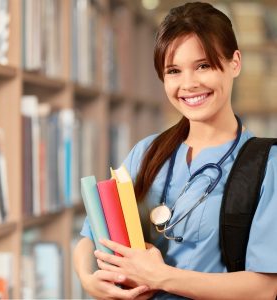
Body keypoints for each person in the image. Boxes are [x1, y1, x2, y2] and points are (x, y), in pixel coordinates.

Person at [73, 2, 277, 299]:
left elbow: (265, 288)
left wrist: (161, 277)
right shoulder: (147, 151)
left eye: (203, 65)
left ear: (235, 62)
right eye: (173, 71)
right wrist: (87, 279)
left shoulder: (266, 165)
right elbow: (91, 233)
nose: (188, 84)